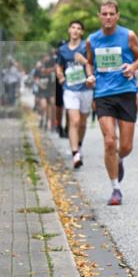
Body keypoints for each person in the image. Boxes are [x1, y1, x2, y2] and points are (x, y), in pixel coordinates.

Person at [84, 0, 138, 206]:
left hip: (126, 92)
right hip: (103, 95)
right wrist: (90, 76)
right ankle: (115, 189)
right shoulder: (92, 40)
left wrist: (133, 68)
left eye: (112, 14)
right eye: (104, 14)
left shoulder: (128, 35)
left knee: (126, 146)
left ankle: (119, 159)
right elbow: (90, 64)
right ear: (99, 16)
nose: (108, 17)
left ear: (117, 16)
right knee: (110, 141)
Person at [55, 20, 92, 168]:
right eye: (73, 28)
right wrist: (60, 76)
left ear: (82, 32)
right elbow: (58, 66)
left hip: (86, 89)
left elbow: (92, 64)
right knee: (74, 121)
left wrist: (83, 61)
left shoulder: (86, 47)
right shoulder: (63, 50)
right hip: (70, 89)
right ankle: (75, 153)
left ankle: (79, 144)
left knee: (82, 122)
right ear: (69, 30)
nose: (75, 30)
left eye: (78, 28)